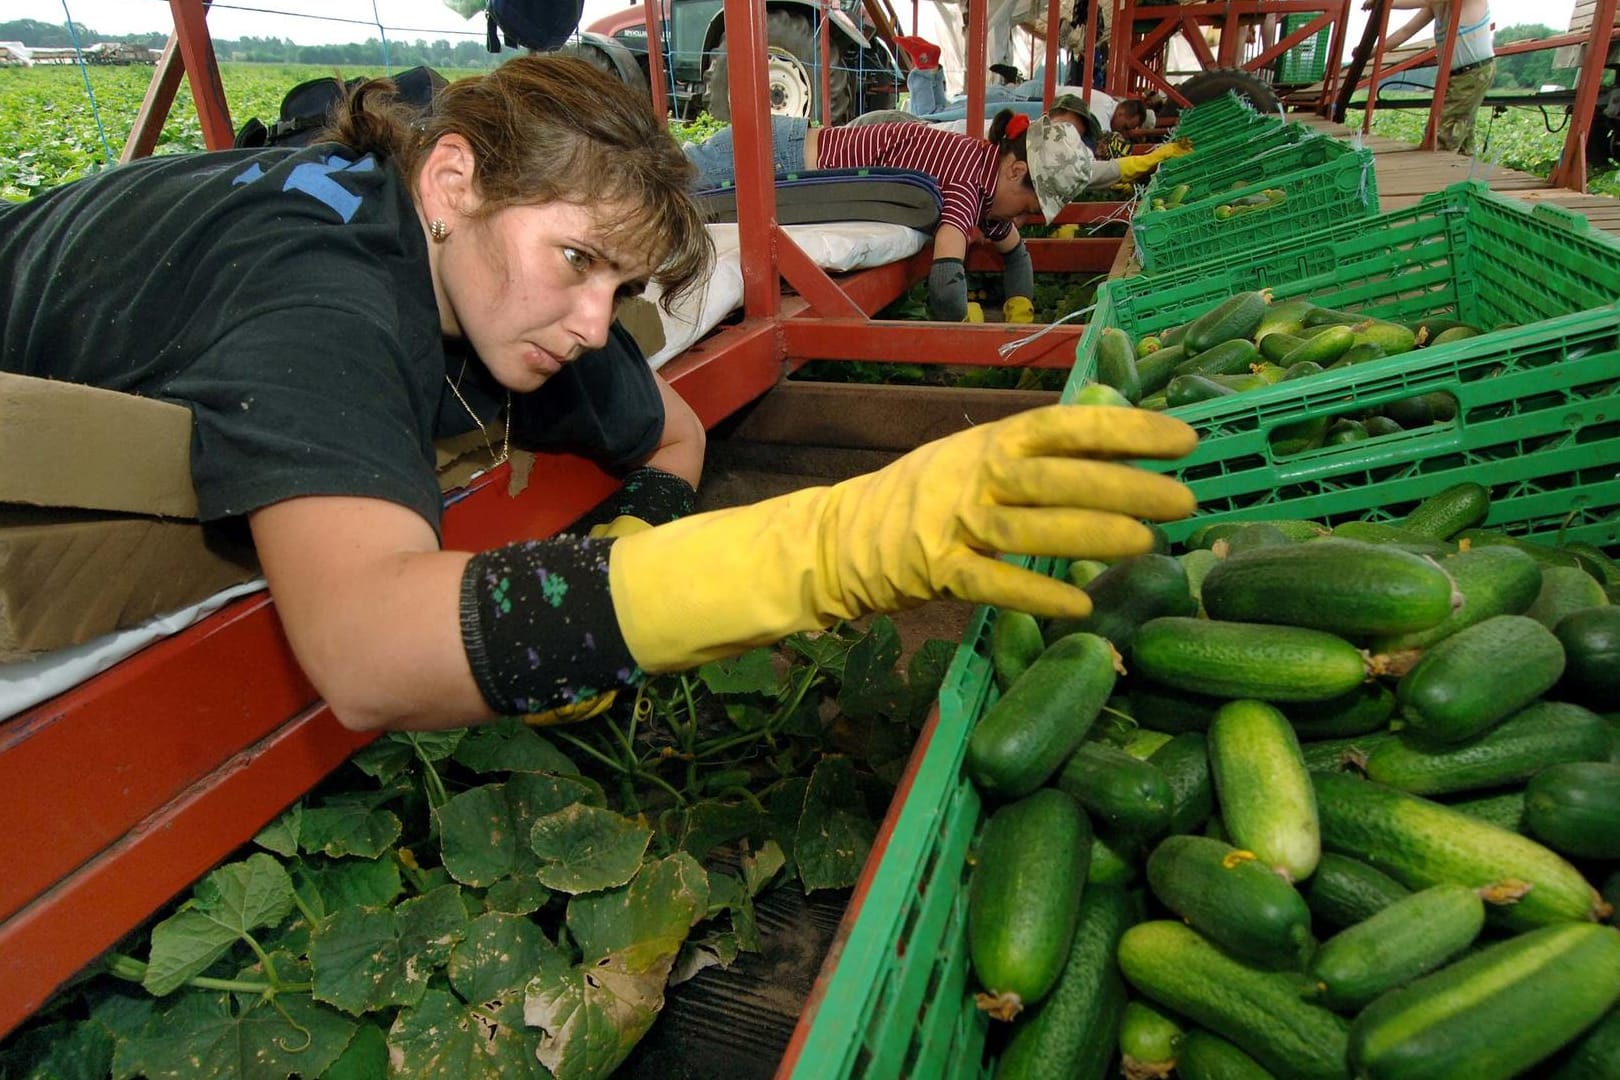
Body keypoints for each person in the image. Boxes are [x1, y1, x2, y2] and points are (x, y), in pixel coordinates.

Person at [0, 54, 1200, 733]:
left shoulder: (509, 285)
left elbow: (669, 424)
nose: (593, 325)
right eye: (578, 259)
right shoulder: (321, 299)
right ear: (454, 179)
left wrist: (652, 530)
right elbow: (363, 651)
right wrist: (824, 550)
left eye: (618, 281)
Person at [685, 107, 1188, 321]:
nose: (1029, 216)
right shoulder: (968, 181)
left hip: (789, 162)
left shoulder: (994, 187)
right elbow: (946, 274)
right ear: (1015, 173)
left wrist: (1020, 309)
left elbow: (1017, 254)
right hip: (779, 158)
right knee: (653, 183)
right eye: (1033, 204)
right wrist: (960, 329)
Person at [1366, 0, 1495, 153]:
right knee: (1460, 124)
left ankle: (1442, 160)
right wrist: (1370, 51)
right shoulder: (1436, 5)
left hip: (1473, 72)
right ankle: (1463, 161)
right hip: (1456, 74)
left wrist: (1386, 3)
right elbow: (1405, 31)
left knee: (1441, 131)